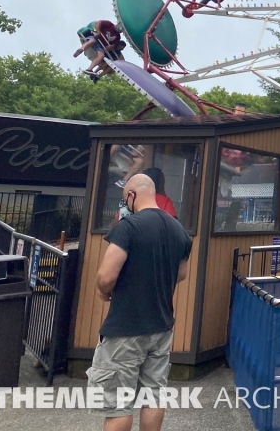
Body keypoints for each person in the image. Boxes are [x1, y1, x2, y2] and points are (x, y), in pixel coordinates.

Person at [89, 174, 192, 431]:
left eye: (125, 199)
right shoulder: (179, 230)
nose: (124, 204)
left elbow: (105, 276)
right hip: (161, 327)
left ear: (132, 196)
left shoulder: (128, 228)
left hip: (125, 328)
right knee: (154, 396)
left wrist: (103, 293)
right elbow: (182, 274)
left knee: (118, 405)